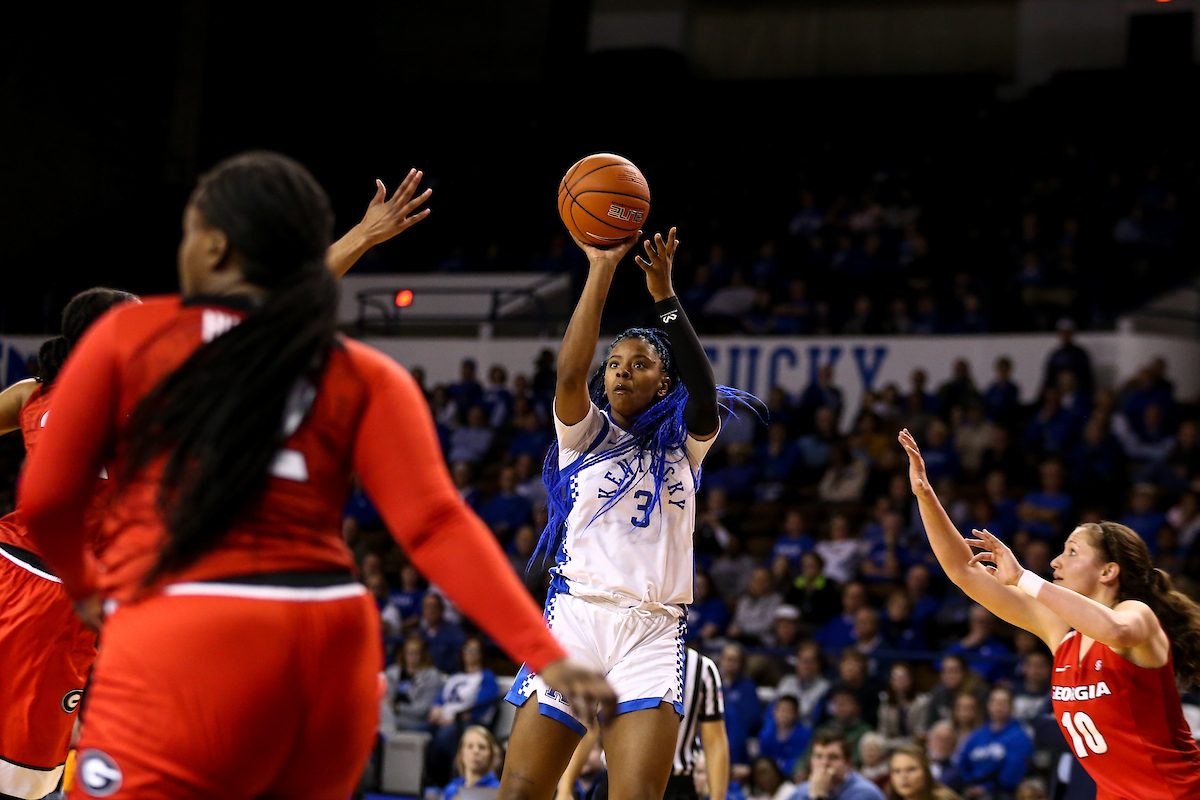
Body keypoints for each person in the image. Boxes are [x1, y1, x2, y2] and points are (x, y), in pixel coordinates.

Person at [19, 152, 615, 800]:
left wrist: (83, 583)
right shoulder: (369, 374)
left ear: (214, 246)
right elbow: (438, 525)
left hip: (190, 625)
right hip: (329, 637)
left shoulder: (131, 336)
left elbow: (47, 498)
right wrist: (546, 652)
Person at [501, 226, 751, 800]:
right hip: (576, 620)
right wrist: (602, 269)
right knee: (520, 793)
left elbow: (705, 388)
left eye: (638, 364)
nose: (620, 370)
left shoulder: (686, 444)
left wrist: (664, 295)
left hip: (653, 629)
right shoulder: (585, 436)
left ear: (665, 381)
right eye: (614, 362)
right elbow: (569, 375)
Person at [900, 428, 1200, 799]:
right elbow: (964, 571)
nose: (1057, 561)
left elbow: (1116, 632)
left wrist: (1024, 577)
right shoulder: (1062, 633)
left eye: (1072, 552)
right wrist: (925, 496)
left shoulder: (1136, 614)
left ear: (1108, 571)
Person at [0, 287, 139, 799]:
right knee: (23, 778)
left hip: (38, 583)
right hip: (42, 589)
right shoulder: (34, 394)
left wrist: (360, 239)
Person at [955, 687, 1032, 799]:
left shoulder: (1020, 736)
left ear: (1011, 707)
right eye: (995, 702)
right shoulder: (977, 735)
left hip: (1001, 792)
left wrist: (987, 788)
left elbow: (1013, 772)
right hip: (971, 788)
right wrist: (969, 784)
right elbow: (963, 762)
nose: (998, 707)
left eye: (1003, 703)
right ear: (988, 706)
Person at [791, 731, 886, 800]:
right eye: (818, 756)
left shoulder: (865, 794)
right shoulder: (801, 792)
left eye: (833, 757)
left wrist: (818, 797)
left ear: (848, 763)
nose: (824, 763)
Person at [384, 635, 445, 731]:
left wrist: (398, 708)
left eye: (416, 653)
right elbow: (386, 699)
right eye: (409, 653)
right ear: (403, 654)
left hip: (416, 720)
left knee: (385, 724)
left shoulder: (431, 675)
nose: (413, 657)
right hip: (391, 715)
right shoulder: (392, 672)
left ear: (423, 655)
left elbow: (424, 709)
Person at [443, 725, 503, 800]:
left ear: (490, 755)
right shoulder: (451, 789)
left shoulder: (499, 791)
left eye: (482, 747)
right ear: (461, 753)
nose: (475, 751)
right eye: (470, 746)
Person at [885, 744, 962, 800]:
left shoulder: (944, 798)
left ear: (926, 771)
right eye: (897, 771)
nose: (903, 776)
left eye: (911, 769)